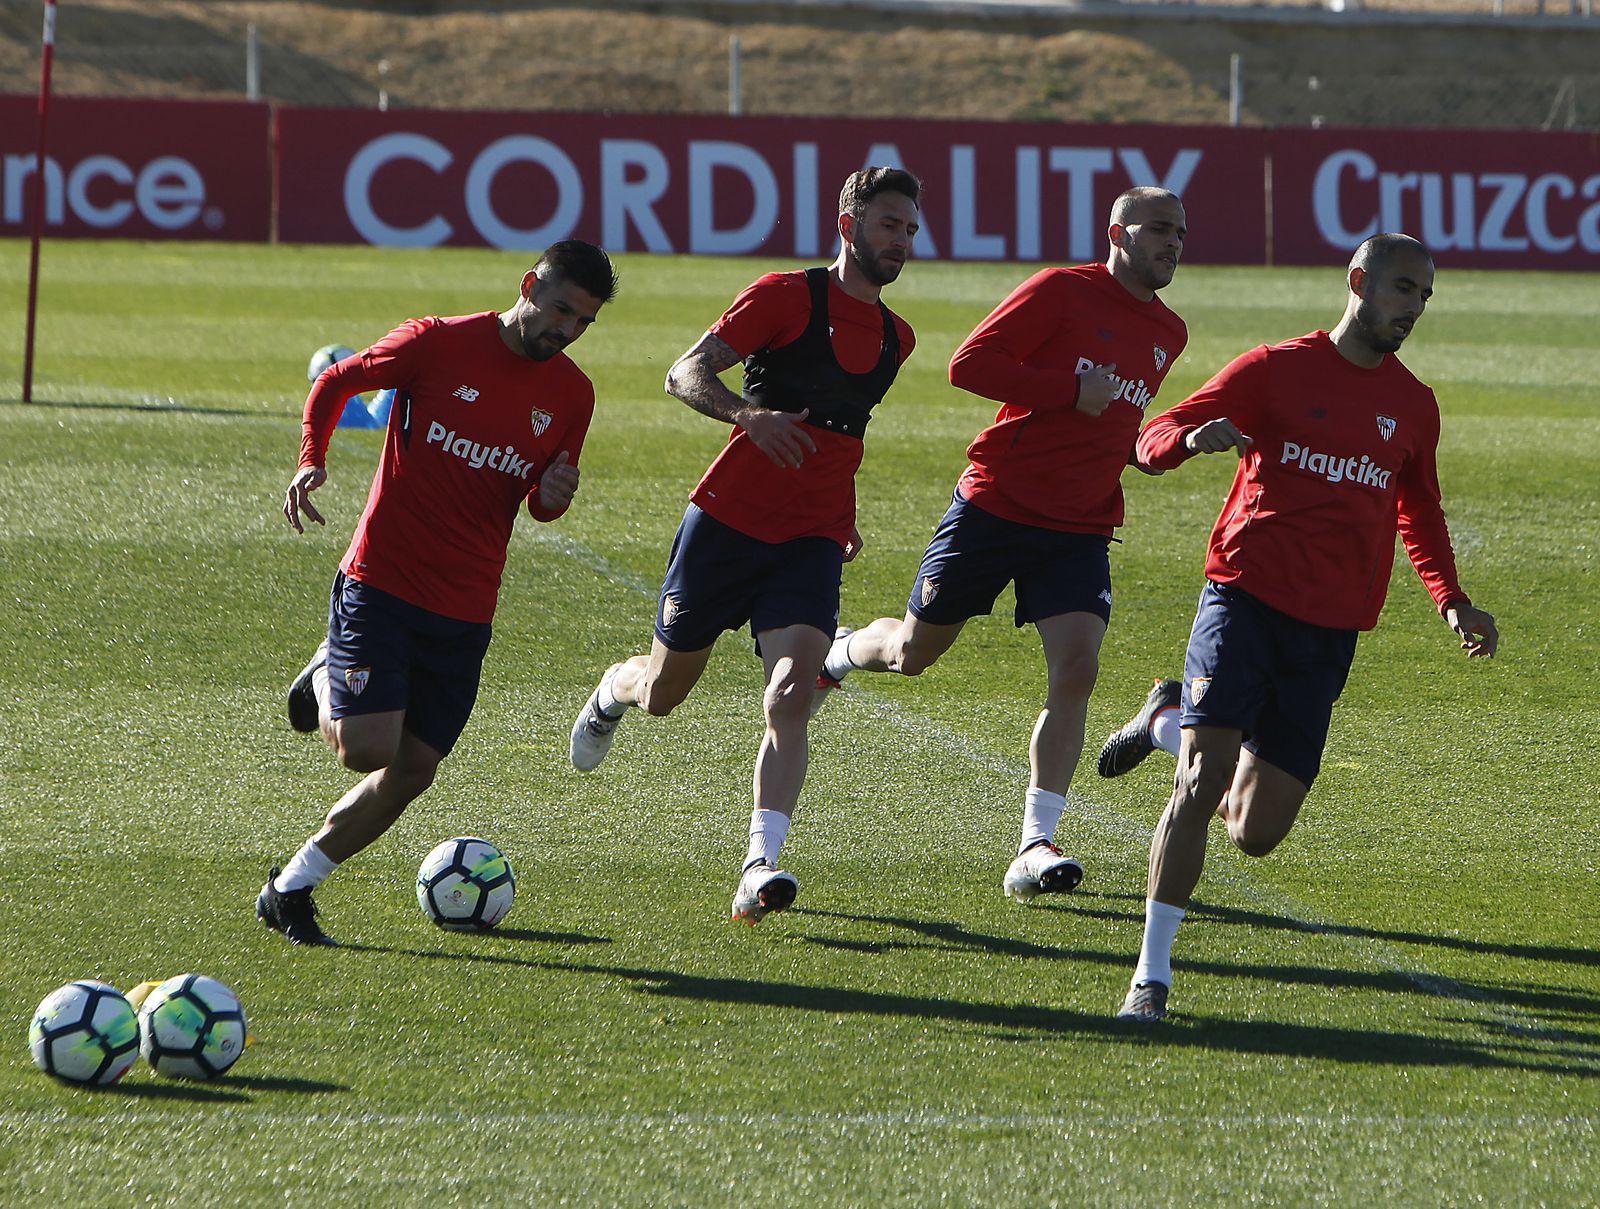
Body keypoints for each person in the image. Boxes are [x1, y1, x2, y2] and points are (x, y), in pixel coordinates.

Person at [1099, 232, 1499, 1022]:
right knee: (1203, 781)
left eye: (1425, 294)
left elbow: (1416, 506)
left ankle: (1165, 720)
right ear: (1360, 280)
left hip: (1330, 630)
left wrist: (1450, 597)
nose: (1414, 307)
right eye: (1403, 288)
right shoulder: (1276, 367)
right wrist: (1186, 440)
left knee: (1253, 832)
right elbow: (1151, 435)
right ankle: (1151, 975)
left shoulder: (1415, 405)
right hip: (1243, 600)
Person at [813, 187, 1189, 904]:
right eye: (1159, 229)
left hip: (1079, 524)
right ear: (1118, 232)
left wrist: (1163, 443)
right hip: (997, 502)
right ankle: (843, 648)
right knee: (911, 654)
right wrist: (1066, 389)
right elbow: (969, 364)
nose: (1173, 243)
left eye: (1180, 232)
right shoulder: (1060, 290)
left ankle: (1034, 842)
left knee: (1076, 670)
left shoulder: (1169, 330)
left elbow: (1118, 420)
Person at [567, 167, 921, 924]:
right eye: (889, 224)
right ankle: (613, 687)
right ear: (848, 223)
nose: (902, 241)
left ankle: (759, 865)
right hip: (726, 525)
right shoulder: (785, 297)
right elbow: (684, 371)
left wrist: (844, 512)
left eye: (911, 229)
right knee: (664, 694)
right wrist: (745, 416)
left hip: (811, 539)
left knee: (791, 695)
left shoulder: (898, 337)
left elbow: (843, 433)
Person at [257, 240, 619, 946]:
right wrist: (312, 460)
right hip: (383, 580)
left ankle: (290, 888)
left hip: (466, 607)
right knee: (366, 748)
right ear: (530, 286)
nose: (567, 331)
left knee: (413, 767)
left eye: (583, 323)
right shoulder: (436, 343)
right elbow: (336, 381)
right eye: (562, 311)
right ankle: (328, 667)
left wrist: (552, 494)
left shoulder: (573, 394)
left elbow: (543, 502)